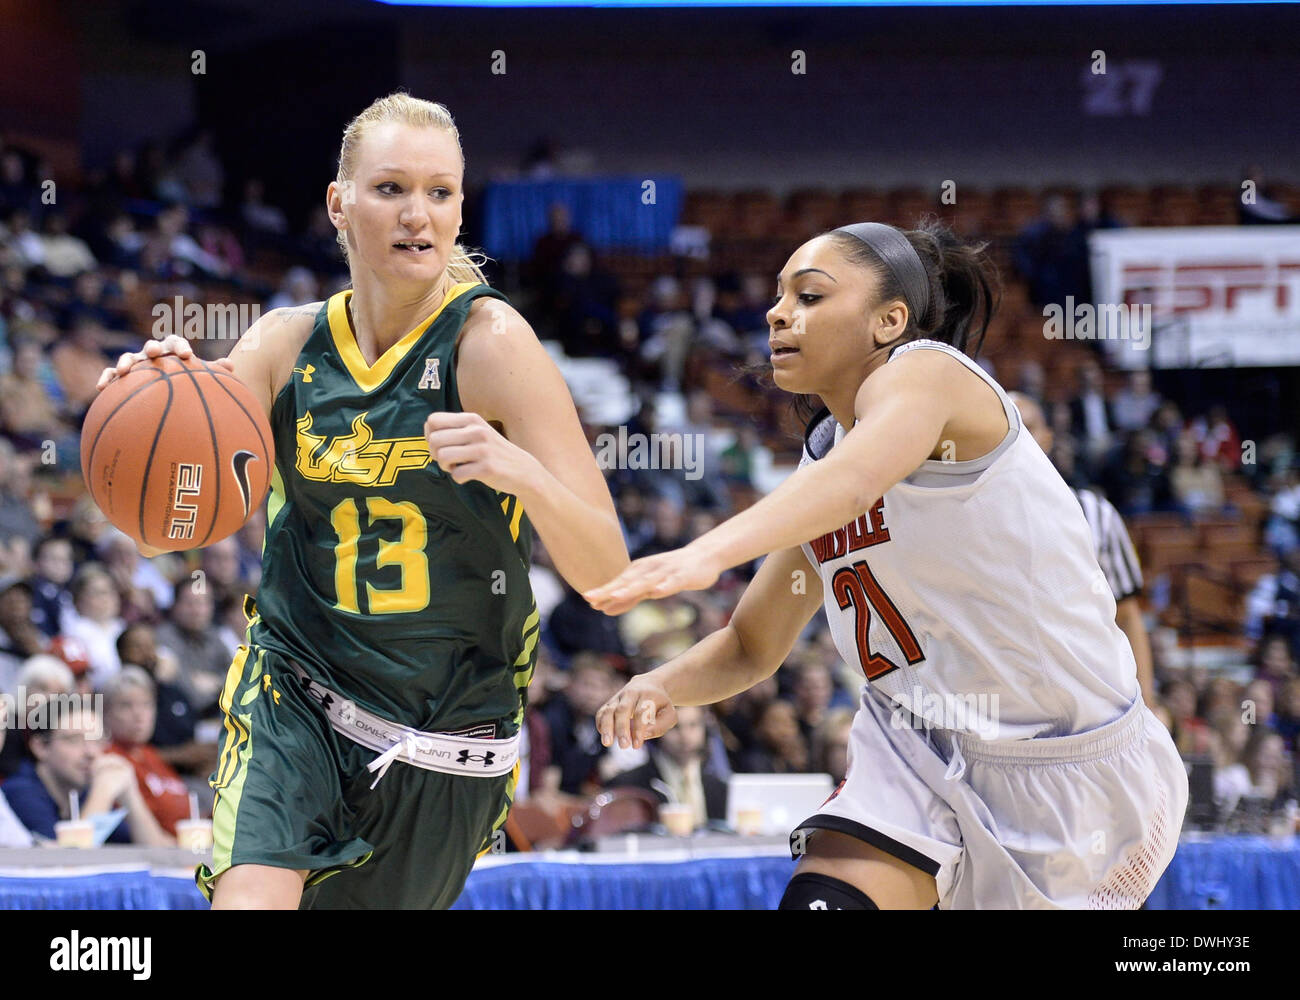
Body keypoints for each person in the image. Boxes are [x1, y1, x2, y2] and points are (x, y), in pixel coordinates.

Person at [95, 92, 627, 909]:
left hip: (443, 736)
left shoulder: (492, 347)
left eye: (441, 192)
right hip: (293, 699)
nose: (419, 214)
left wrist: (519, 472)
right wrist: (147, 411)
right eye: (391, 189)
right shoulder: (282, 345)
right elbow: (168, 530)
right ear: (339, 203)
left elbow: (606, 573)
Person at [588, 219, 1187, 910]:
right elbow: (752, 644)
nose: (778, 312)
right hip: (914, 746)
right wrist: (661, 683)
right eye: (779, 296)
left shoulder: (933, 375)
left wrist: (705, 552)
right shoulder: (824, 459)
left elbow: (853, 488)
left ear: (889, 321)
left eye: (810, 296)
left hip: (1070, 767)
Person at [1011, 392, 1155, 707]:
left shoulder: (1096, 513)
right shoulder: (974, 518)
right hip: (1016, 698)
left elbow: (1128, 615)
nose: (1018, 437)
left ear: (1048, 438)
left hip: (1094, 691)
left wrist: (1148, 702)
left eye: (1029, 427)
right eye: (1009, 428)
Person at [3, 702, 172, 845]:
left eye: (97, 740)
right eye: (75, 740)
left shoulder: (85, 793)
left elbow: (161, 855)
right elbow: (64, 863)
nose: (91, 752)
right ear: (40, 747)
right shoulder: (19, 791)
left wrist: (131, 797)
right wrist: (103, 792)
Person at [607, 705, 727, 828]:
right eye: (675, 727)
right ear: (656, 730)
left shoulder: (720, 787)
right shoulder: (628, 785)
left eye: (693, 725)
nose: (685, 736)